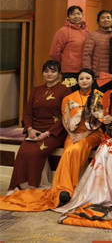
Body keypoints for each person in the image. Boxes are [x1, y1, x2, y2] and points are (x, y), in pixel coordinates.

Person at [0, 69, 103, 211]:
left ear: (92, 80)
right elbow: (65, 119)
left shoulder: (99, 96)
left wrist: (84, 135)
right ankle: (63, 190)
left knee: (75, 149)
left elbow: (99, 121)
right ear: (77, 81)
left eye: (87, 78)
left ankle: (66, 188)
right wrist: (71, 134)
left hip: (92, 133)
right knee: (69, 150)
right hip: (72, 133)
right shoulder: (70, 97)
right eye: (81, 79)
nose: (84, 81)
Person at [56, 67, 112, 212]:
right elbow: (101, 116)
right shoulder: (107, 95)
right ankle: (87, 192)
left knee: (110, 155)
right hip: (104, 135)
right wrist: (106, 119)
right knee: (98, 154)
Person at [6, 61, 70, 192]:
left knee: (35, 152)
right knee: (22, 152)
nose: (49, 74)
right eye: (46, 71)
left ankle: (33, 187)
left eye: (53, 71)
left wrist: (47, 133)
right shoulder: (36, 90)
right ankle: (20, 187)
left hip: (54, 132)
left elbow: (65, 116)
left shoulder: (65, 90)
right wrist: (29, 129)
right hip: (34, 130)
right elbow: (28, 113)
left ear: (59, 74)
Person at [49, 5, 90, 80]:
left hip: (84, 71)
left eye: (78, 14)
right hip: (69, 72)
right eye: (73, 14)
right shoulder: (63, 31)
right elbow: (54, 53)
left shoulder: (87, 32)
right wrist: (63, 65)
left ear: (82, 15)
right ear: (68, 17)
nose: (76, 16)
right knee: (69, 88)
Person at [82, 9, 112, 90]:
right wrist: (88, 73)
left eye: (108, 17)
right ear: (98, 21)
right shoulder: (93, 36)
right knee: (98, 96)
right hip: (98, 75)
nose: (106, 20)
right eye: (103, 18)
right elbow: (86, 55)